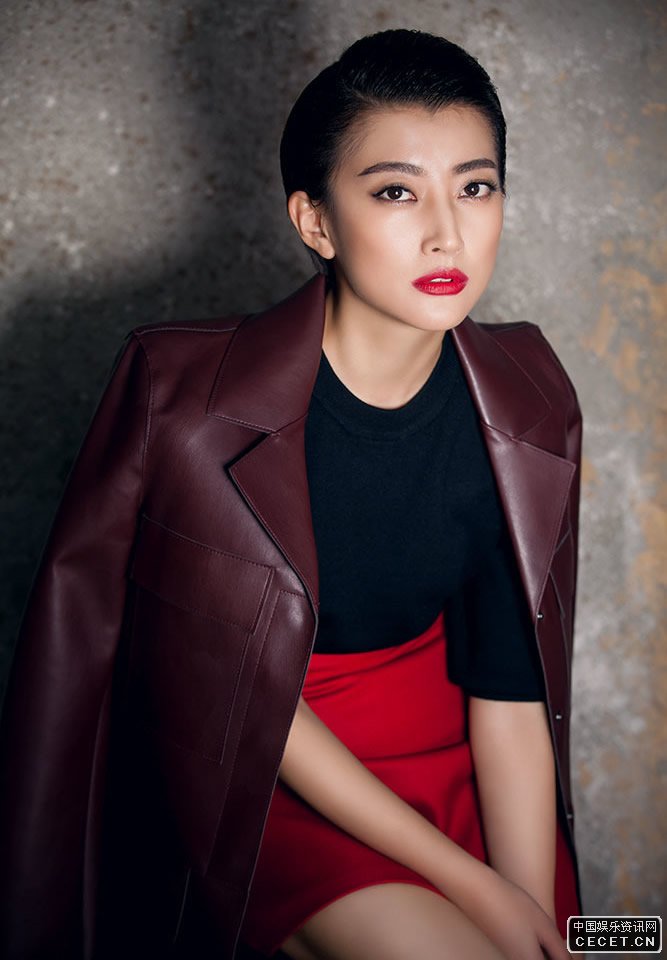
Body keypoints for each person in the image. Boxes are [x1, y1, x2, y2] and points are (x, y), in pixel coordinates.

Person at [0, 28, 582, 960]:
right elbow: (214, 685)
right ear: (315, 222)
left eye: (475, 187)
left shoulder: (526, 395)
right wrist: (479, 890)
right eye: (395, 192)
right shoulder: (185, 397)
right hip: (263, 766)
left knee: (609, 946)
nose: (447, 232)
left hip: (459, 755)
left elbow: (509, 688)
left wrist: (530, 902)